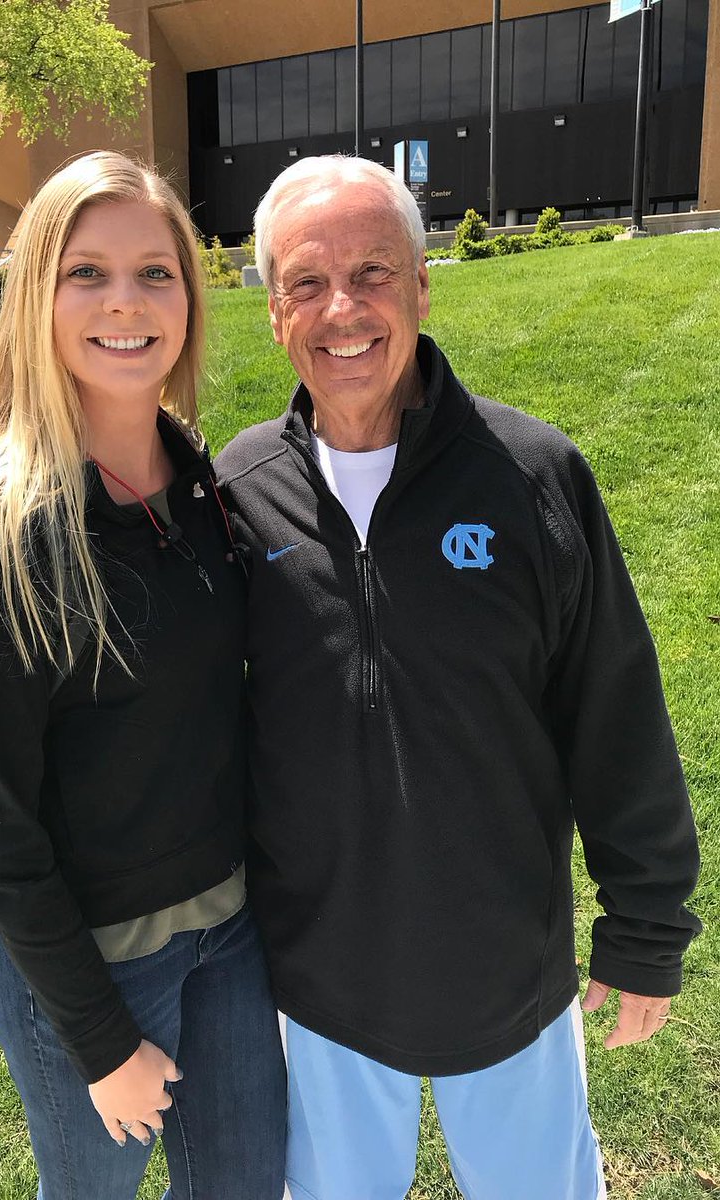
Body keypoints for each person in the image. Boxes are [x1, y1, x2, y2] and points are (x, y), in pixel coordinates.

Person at [215, 155, 701, 1200]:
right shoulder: (234, 495)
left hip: (507, 973)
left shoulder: (532, 476)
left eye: (373, 274)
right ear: (272, 313)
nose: (341, 309)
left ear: (423, 285)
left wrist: (645, 925)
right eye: (305, 282)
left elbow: (612, 710)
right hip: (321, 984)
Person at [0, 151, 286, 1200]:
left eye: (156, 273)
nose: (127, 302)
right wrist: (103, 1043)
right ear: (37, 298)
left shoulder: (197, 478)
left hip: (230, 932)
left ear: (191, 299)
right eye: (87, 273)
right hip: (91, 964)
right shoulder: (2, 534)